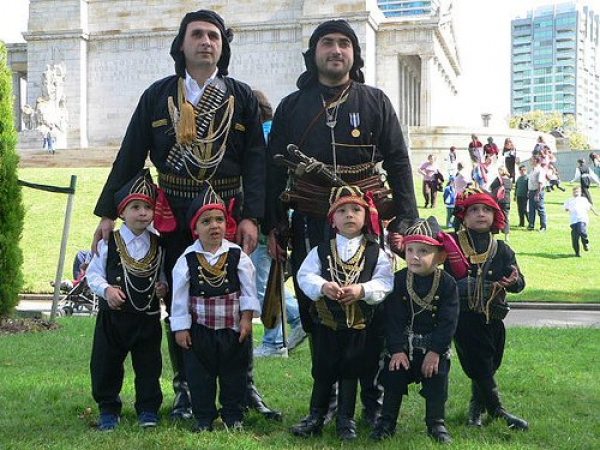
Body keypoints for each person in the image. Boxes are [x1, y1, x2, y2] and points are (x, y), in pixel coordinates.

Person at [91, 9, 280, 421]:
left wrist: (252, 217)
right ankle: (185, 389)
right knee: (180, 297)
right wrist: (107, 213)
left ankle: (242, 385)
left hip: (227, 213)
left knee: (236, 298)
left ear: (223, 47)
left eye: (214, 36)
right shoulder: (158, 95)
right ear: (181, 44)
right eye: (197, 35)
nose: (206, 42)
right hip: (174, 214)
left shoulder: (242, 97)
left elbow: (256, 161)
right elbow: (130, 153)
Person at [265, 19, 419, 426]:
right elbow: (273, 170)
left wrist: (406, 219)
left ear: (354, 54)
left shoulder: (376, 101)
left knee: (371, 309)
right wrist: (274, 224)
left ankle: (372, 402)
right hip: (310, 221)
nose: (336, 50)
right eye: (328, 43)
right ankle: (325, 403)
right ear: (313, 53)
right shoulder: (291, 106)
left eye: (344, 44)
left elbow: (398, 161)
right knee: (317, 308)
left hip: (365, 223)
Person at [290, 186, 394, 440]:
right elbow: (304, 275)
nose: (349, 215)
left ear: (366, 216)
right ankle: (315, 415)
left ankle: (346, 420)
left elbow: (385, 281)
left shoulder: (375, 252)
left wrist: (362, 290)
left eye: (356, 209)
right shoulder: (321, 250)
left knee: (351, 370)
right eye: (342, 211)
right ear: (332, 220)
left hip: (359, 327)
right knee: (323, 370)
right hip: (327, 325)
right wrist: (323, 286)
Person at [170, 185, 261, 431]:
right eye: (206, 221)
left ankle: (233, 416)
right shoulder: (186, 259)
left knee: (234, 376)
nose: (214, 226)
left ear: (227, 223)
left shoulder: (237, 255)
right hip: (200, 331)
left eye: (219, 220)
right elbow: (179, 298)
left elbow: (249, 291)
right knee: (200, 378)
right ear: (195, 228)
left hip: (233, 330)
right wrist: (181, 328)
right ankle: (203, 417)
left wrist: (246, 319)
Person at [86, 169, 168, 431]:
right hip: (114, 318)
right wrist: (107, 290)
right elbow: (93, 275)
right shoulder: (109, 243)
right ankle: (108, 409)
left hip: (147, 317)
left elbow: (163, 274)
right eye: (135, 207)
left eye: (147, 207)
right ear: (121, 212)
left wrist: (163, 287)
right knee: (106, 364)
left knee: (149, 365)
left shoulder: (159, 244)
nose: (142, 213)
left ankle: (148, 409)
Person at [371, 216, 459, 443]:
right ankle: (386, 422)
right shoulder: (399, 280)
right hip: (403, 346)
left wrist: (436, 351)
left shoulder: (447, 284)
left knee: (437, 382)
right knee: (393, 378)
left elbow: (448, 322)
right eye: (410, 250)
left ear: (440, 256)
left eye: (423, 251)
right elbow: (392, 319)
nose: (415, 256)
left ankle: (436, 424)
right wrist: (396, 350)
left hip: (433, 348)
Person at [446, 186, 528, 431]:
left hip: (494, 316)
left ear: (495, 215)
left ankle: (476, 408)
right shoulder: (451, 244)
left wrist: (513, 282)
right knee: (480, 363)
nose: (480, 214)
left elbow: (520, 283)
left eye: (486, 210)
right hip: (465, 317)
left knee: (490, 364)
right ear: (464, 216)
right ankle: (497, 409)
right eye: (474, 210)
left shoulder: (502, 249)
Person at [251, 89, 305, 357]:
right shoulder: (279, 133)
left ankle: (274, 339)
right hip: (284, 215)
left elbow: (266, 184)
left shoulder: (261, 139)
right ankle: (296, 318)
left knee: (260, 280)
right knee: (266, 277)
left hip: (267, 218)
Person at [564, 186, 597, 257]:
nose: (575, 193)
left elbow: (590, 207)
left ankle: (585, 243)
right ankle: (577, 253)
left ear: (580, 192)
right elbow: (566, 208)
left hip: (582, 219)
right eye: (574, 192)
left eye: (577, 192)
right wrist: (567, 209)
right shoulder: (569, 200)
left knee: (581, 230)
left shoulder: (583, 200)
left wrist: (595, 212)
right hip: (573, 221)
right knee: (575, 238)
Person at [489, 167, 512, 240]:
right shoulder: (509, 180)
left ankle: (494, 235)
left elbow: (491, 187)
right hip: (507, 201)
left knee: (496, 217)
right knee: (506, 218)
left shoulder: (498, 180)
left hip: (498, 201)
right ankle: (506, 236)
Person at [527, 155, 547, 231]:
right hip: (531, 191)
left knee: (540, 209)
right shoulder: (532, 170)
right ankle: (531, 225)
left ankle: (543, 226)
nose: (530, 161)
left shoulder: (540, 170)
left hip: (538, 191)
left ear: (535, 160)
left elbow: (540, 183)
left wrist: (537, 194)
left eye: (531, 159)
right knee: (531, 209)